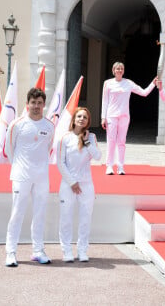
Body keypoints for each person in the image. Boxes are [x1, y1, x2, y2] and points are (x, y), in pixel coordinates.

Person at [4, 88, 55, 267]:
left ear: (44, 105)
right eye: (33, 103)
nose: (36, 106)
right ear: (27, 104)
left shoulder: (50, 126)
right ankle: (10, 252)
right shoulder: (17, 124)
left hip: (41, 176)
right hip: (21, 176)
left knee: (40, 213)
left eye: (39, 103)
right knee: (17, 212)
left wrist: (37, 167)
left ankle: (38, 250)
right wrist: (19, 167)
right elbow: (9, 149)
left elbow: (48, 149)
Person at [57, 107, 102, 262]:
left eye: (85, 117)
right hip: (68, 185)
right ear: (74, 119)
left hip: (86, 185)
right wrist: (72, 182)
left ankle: (82, 250)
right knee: (66, 218)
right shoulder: (64, 138)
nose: (82, 119)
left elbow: (97, 156)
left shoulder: (92, 137)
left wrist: (87, 142)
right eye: (79, 116)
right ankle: (67, 250)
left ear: (88, 121)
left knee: (85, 218)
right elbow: (60, 163)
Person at [100, 62, 156, 175]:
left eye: (121, 68)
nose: (119, 70)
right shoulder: (108, 83)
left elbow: (144, 93)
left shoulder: (128, 83)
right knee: (111, 142)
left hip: (124, 116)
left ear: (123, 71)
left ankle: (120, 166)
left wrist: (153, 84)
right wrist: (103, 117)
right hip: (111, 116)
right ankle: (109, 166)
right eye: (117, 69)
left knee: (121, 142)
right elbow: (105, 101)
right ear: (113, 70)